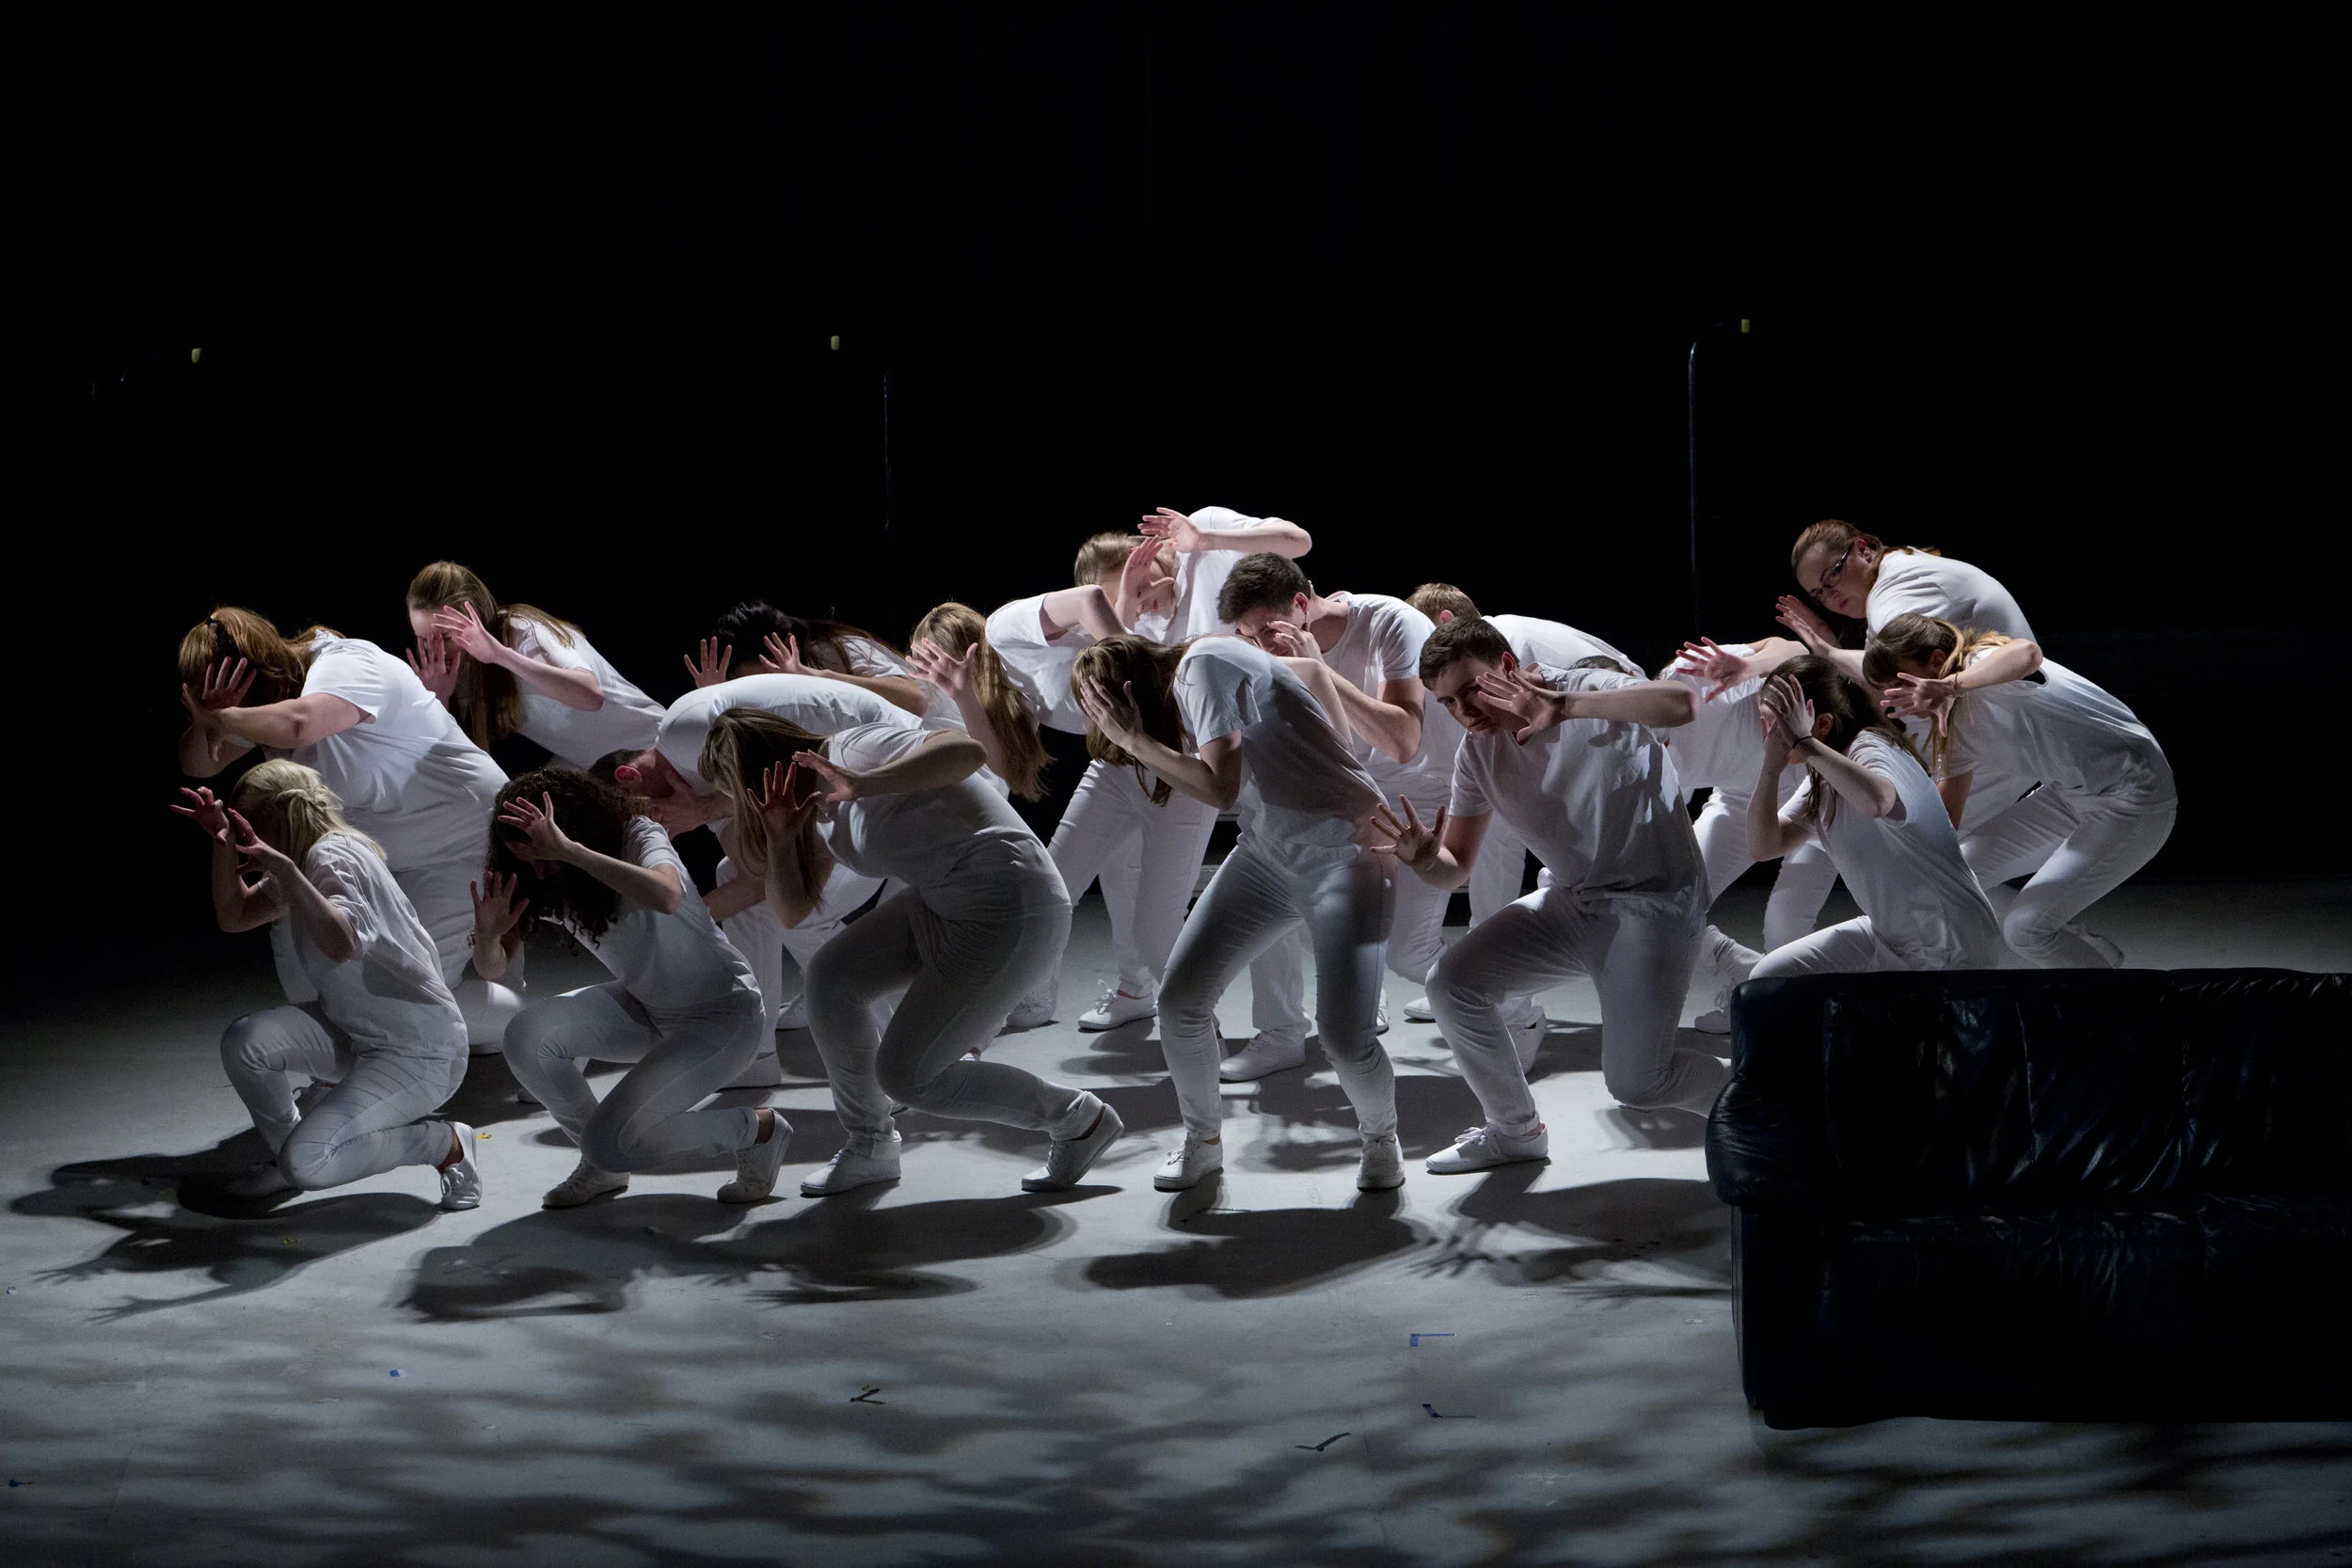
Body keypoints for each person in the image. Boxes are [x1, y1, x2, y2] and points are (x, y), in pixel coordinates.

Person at [703, 709, 1122, 1196]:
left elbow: (967, 752)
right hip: (942, 901)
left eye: (734, 791)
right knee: (830, 980)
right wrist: (780, 838)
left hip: (1012, 903)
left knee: (908, 1078)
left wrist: (865, 783)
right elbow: (792, 911)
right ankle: (871, 1146)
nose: (740, 806)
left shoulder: (854, 749)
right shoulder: (807, 811)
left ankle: (1077, 1119)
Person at [1379, 617, 1724, 1173]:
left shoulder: (1581, 686)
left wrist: (1563, 706)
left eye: (1470, 690)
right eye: (1447, 703)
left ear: (1507, 666)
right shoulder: (1477, 753)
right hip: (1573, 900)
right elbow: (1454, 868)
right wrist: (1423, 859)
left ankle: (1767, 1094)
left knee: (1639, 1084)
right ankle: (1515, 1132)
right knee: (1452, 984)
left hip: (1652, 903)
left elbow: (1681, 703)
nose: (1464, 712)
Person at [1074, 633, 1405, 1194]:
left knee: (1346, 1040)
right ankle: (1202, 1143)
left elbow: (1220, 788)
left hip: (1343, 856)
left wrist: (1133, 738)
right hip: (1267, 853)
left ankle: (1381, 1139)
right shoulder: (1208, 665)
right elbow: (1299, 678)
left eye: (1102, 710)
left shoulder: (1201, 666)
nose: (1105, 724)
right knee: (1179, 1003)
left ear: (1128, 693)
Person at [1001, 507, 1314, 1035]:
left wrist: (1204, 537)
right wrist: (1128, 605)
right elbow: (1122, 666)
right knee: (1057, 884)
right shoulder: (1134, 619)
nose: (1142, 602)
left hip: (1195, 767)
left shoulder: (1203, 543)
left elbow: (1297, 540)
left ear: (1143, 556)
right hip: (1124, 762)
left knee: (1182, 918)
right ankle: (1124, 993)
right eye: (1127, 599)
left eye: (1140, 588)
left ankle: (1235, 1024)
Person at [178, 609, 520, 1049]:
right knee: (317, 951)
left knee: (413, 994)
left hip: (463, 844)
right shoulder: (254, 708)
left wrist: (223, 718)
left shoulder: (346, 662)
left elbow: (301, 724)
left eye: (238, 705)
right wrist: (208, 718)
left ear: (261, 675)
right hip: (383, 855)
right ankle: (352, 1049)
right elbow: (197, 764)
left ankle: (529, 1025)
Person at [472, 768, 787, 1207]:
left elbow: (666, 896)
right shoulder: (540, 877)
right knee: (525, 1037)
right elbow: (492, 970)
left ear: (572, 828)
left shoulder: (636, 833)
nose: (538, 868)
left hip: (723, 1016)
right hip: (646, 1008)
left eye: (543, 852)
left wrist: (570, 852)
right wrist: (487, 937)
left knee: (614, 1142)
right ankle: (602, 1164)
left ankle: (759, 1129)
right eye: (525, 857)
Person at [172, 762, 480, 1208]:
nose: (243, 836)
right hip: (358, 1034)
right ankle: (287, 1158)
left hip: (420, 1052)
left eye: (244, 825)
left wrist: (286, 871)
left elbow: (342, 944)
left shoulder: (335, 856)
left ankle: (443, 1144)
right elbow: (234, 916)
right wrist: (222, 844)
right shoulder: (303, 861)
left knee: (310, 1163)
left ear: (275, 816)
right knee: (247, 1042)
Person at [1215, 556, 1464, 1076]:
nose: (1259, 646)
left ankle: (1513, 1008)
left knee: (1409, 952)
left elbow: (1402, 741)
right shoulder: (1268, 646)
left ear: (1300, 604)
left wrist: (1318, 670)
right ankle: (1280, 1031)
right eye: (1247, 637)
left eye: (1264, 632)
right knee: (1269, 862)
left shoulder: (1391, 622)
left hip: (1419, 795)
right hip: (1348, 791)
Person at [605, 673, 921, 1057]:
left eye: (643, 821)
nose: (656, 835)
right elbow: (754, 877)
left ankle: (896, 1044)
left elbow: (788, 772)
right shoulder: (694, 786)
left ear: (628, 776)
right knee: (746, 878)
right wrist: (675, 925)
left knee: (801, 906)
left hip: (897, 765)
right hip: (853, 787)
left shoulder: (681, 734)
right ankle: (757, 1052)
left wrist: (704, 815)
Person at [1399, 583, 1645, 1029]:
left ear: (1446, 624)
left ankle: (1501, 990)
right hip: (1588, 768)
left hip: (1635, 755)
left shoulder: (1519, 649)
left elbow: (1647, 696)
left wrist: (1567, 707)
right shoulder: (1484, 676)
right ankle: (1495, 985)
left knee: (1631, 900)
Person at [1866, 614, 2173, 966]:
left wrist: (1950, 685)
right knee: (1949, 880)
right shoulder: (1952, 726)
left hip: (2134, 795)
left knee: (2025, 930)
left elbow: (2027, 653)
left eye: (1900, 684)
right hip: (2068, 797)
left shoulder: (1981, 662)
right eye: (1888, 691)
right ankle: (2097, 959)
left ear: (1936, 660)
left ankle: (2109, 994)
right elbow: (1945, 817)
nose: (1898, 700)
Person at [1744, 657, 2004, 978]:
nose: (1767, 736)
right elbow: (1764, 846)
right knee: (1770, 976)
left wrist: (1804, 743)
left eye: (1776, 726)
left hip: (1949, 939)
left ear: (1822, 724)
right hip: (1892, 933)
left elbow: (1878, 801)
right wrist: (1770, 770)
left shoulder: (1871, 745)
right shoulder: (1823, 775)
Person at [1655, 635, 1841, 1028]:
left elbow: (1794, 649)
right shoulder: (1639, 767)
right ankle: (1747, 979)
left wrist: (1751, 667)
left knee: (1784, 925)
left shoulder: (1689, 678)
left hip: (1818, 779)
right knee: (1668, 900)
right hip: (1744, 798)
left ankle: (1782, 1014)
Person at [404, 561, 664, 768]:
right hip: (600, 766)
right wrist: (439, 699)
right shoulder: (460, 673)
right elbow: (467, 767)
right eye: (422, 639)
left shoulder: (521, 629)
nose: (436, 650)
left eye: (445, 637)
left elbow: (591, 696)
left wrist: (500, 655)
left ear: (476, 616)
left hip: (657, 744)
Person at [687, 601, 928, 716]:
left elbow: (914, 700)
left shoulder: (832, 650)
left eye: (766, 677)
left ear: (785, 644)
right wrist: (715, 702)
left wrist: (814, 676)